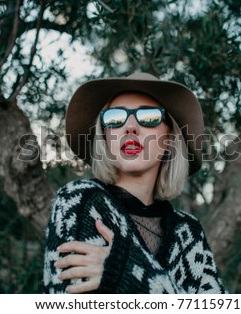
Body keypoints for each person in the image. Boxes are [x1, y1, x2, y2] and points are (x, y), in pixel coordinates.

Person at [43, 72, 227, 294]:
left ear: (169, 139)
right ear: (105, 136)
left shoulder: (188, 231)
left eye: (149, 117)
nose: (130, 127)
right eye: (114, 118)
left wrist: (124, 270)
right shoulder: (80, 202)